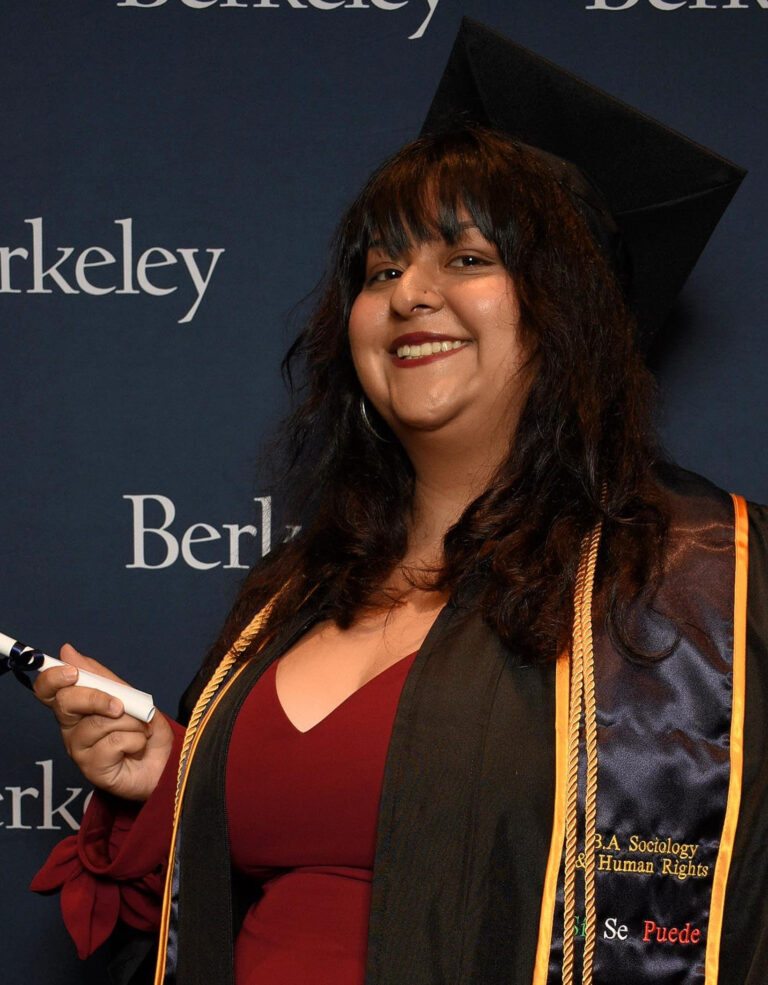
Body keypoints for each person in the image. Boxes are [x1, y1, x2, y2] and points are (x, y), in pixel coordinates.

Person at [28, 20, 768, 985]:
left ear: (571, 305)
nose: (410, 293)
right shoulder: (290, 595)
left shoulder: (693, 587)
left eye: (466, 258)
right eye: (381, 271)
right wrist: (169, 777)